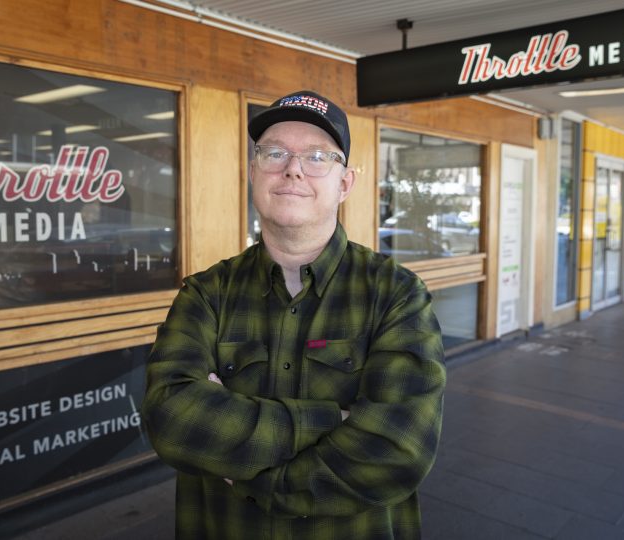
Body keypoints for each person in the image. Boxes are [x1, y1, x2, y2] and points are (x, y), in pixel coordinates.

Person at [142, 90, 445, 539]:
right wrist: (335, 421)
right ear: (253, 173)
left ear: (345, 183)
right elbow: (170, 418)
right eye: (274, 153)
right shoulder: (206, 293)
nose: (293, 168)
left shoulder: (397, 295)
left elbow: (398, 449)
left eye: (318, 156)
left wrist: (264, 484)